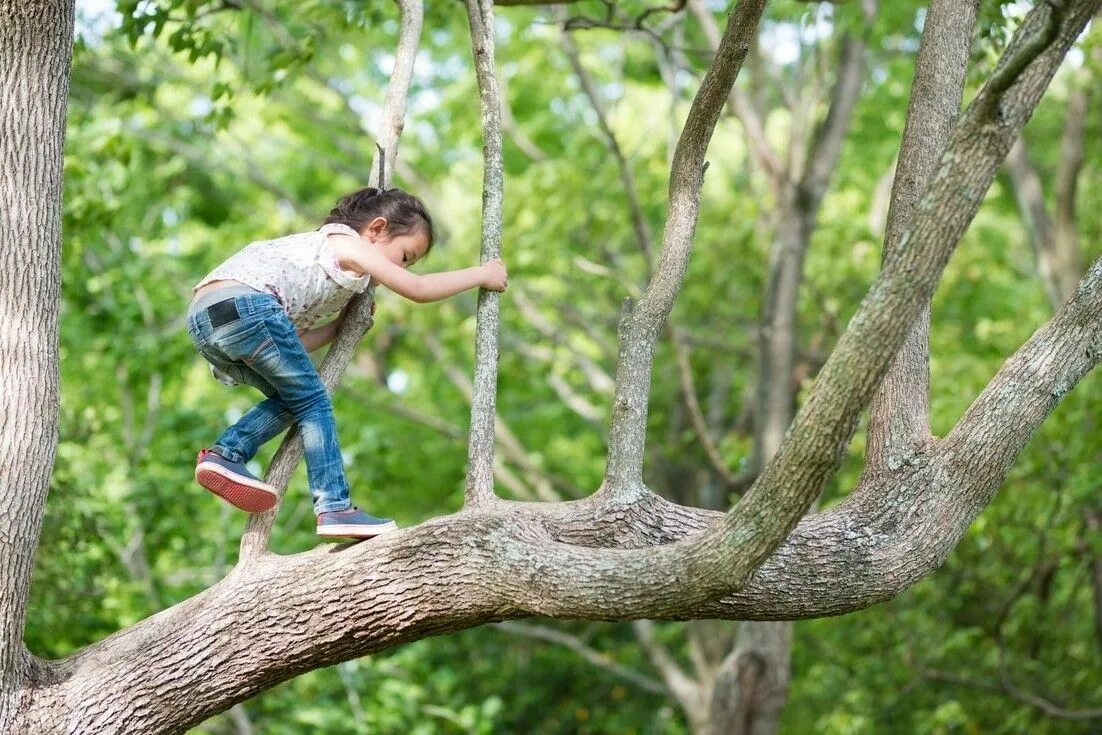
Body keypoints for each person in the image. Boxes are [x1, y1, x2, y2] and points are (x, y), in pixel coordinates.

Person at [185, 186, 507, 539]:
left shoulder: (318, 270)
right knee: (314, 400)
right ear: (377, 229)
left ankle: (226, 454)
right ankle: (333, 506)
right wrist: (482, 275)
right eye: (404, 256)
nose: (400, 268)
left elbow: (293, 341)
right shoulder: (347, 243)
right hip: (248, 305)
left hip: (208, 320)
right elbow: (418, 289)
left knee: (297, 398)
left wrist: (340, 328)